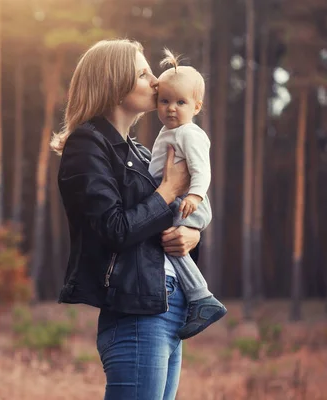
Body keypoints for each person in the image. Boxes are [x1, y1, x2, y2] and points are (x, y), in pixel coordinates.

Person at [52, 39, 200, 400]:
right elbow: (114, 229)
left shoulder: (142, 151)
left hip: (168, 304)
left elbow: (162, 222)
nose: (156, 81)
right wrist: (166, 191)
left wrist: (191, 236)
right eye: (143, 73)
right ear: (115, 85)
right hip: (135, 311)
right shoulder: (87, 145)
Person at [148, 48, 227, 340]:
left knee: (166, 237)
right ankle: (201, 297)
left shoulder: (189, 134)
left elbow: (201, 169)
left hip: (188, 202)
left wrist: (194, 197)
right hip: (179, 200)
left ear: (197, 106)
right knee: (168, 240)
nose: (171, 108)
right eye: (164, 100)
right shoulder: (169, 132)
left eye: (180, 102)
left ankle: (201, 297)